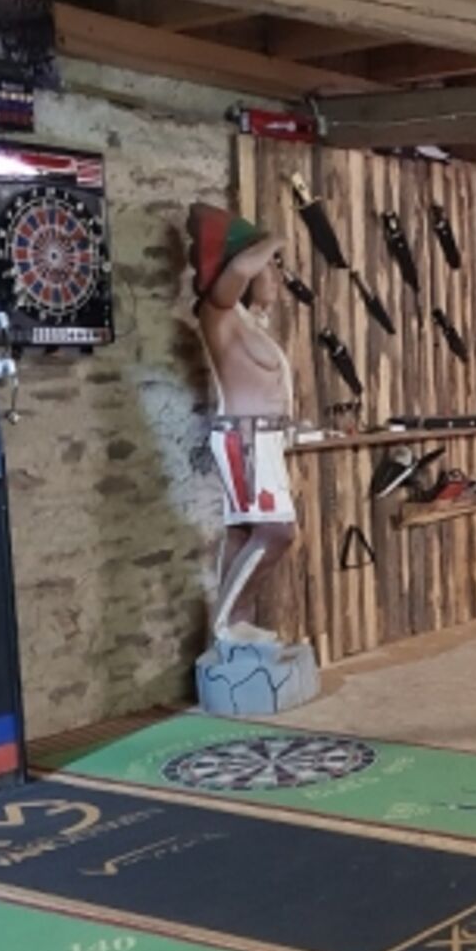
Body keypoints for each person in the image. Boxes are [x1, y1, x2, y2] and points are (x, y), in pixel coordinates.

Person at [189, 203, 297, 644]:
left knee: (244, 532)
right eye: (271, 268)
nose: (276, 277)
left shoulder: (250, 323)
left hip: (263, 438)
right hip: (245, 439)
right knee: (277, 532)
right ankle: (226, 625)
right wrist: (274, 238)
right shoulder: (220, 313)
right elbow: (236, 271)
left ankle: (239, 625)